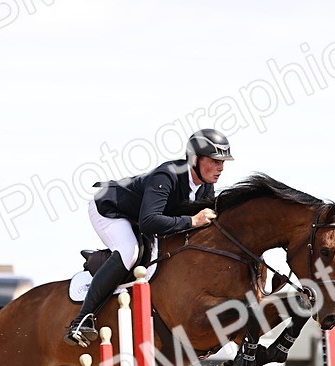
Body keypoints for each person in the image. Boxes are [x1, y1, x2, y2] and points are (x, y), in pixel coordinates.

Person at [63, 128, 234, 346]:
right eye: (215, 161)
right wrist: (192, 221)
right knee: (130, 251)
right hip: (109, 209)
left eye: (222, 162)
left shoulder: (206, 187)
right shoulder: (167, 175)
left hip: (138, 215)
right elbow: (149, 222)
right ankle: (82, 320)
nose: (221, 168)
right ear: (195, 159)